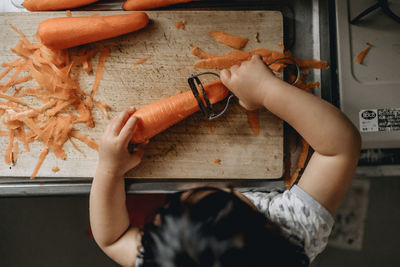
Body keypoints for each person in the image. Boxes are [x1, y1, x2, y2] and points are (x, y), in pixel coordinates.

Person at [89, 55, 361, 267]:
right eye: (225, 195)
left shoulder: (164, 259)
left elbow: (113, 238)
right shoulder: (293, 230)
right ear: (264, 227)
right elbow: (340, 147)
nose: (196, 183)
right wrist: (267, 90)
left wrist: (109, 169)